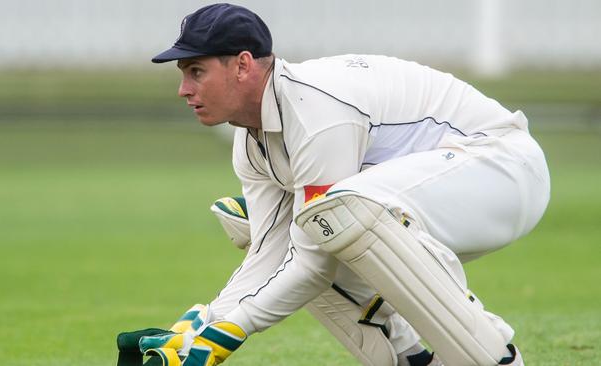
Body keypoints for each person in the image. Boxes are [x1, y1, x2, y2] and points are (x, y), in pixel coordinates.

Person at [139, 3, 550, 366]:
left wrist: (228, 335)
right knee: (302, 224)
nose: (184, 89)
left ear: (243, 65)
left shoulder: (315, 112)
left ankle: (491, 355)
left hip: (504, 166)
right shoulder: (251, 141)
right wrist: (204, 323)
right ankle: (409, 355)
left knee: (339, 213)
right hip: (447, 185)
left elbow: (313, 264)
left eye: (196, 71)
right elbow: (269, 254)